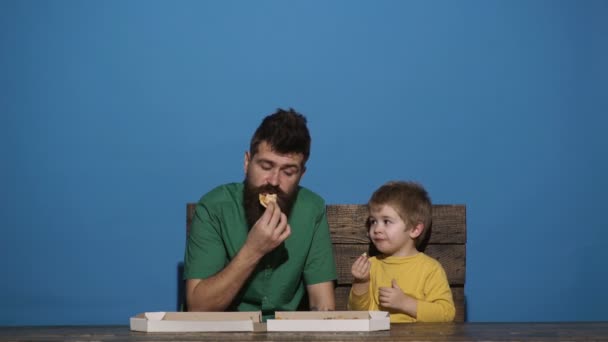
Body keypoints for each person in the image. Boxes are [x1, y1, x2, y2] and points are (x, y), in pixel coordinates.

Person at [184, 108, 337, 319]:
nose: (274, 181)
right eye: (266, 166)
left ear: (302, 174)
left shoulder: (312, 209)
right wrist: (254, 249)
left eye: (288, 171)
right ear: (247, 162)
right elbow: (198, 308)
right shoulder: (214, 207)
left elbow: (322, 304)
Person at [348, 181, 455, 323]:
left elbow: (446, 314)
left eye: (386, 221)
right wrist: (361, 282)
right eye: (373, 221)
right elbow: (356, 315)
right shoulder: (371, 266)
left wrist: (406, 303)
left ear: (415, 229)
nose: (377, 229)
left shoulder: (429, 269)